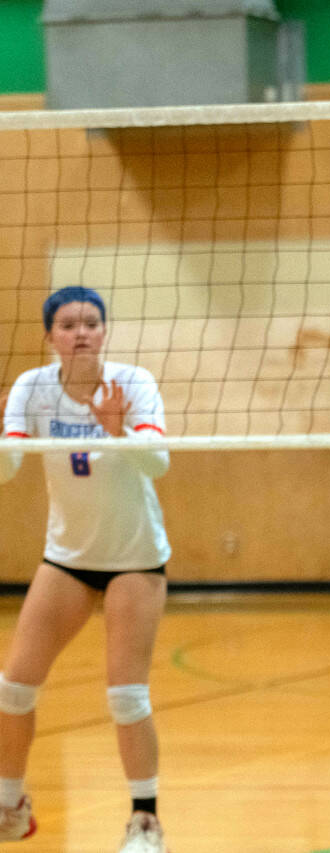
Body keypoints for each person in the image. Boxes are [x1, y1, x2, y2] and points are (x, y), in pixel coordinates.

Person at [0, 286, 172, 853]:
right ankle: (10, 807)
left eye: (91, 323)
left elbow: (158, 462)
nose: (81, 332)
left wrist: (118, 430)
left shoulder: (134, 383)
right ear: (50, 336)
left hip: (134, 559)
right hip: (69, 558)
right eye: (69, 324)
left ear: (104, 331)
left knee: (126, 695)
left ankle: (144, 822)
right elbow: (8, 469)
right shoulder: (33, 387)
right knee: (13, 688)